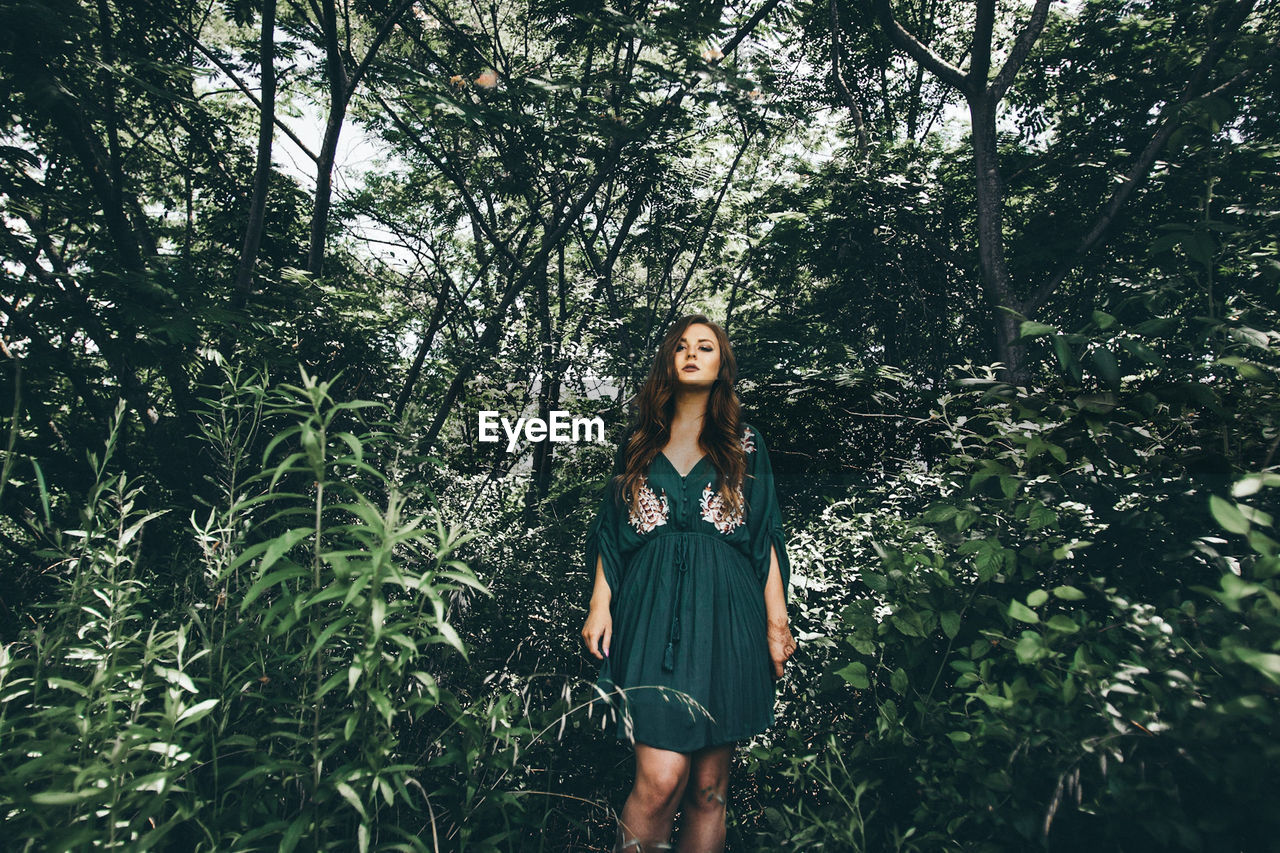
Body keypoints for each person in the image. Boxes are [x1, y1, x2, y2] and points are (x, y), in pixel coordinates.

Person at [581, 314, 797, 852]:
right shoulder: (637, 441)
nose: (692, 353)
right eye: (681, 347)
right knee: (659, 782)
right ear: (668, 363)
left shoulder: (745, 443)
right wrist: (599, 604)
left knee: (708, 791)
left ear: (722, 364)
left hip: (727, 612)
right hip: (651, 610)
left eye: (706, 346)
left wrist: (776, 625)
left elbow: (764, 535)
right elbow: (613, 531)